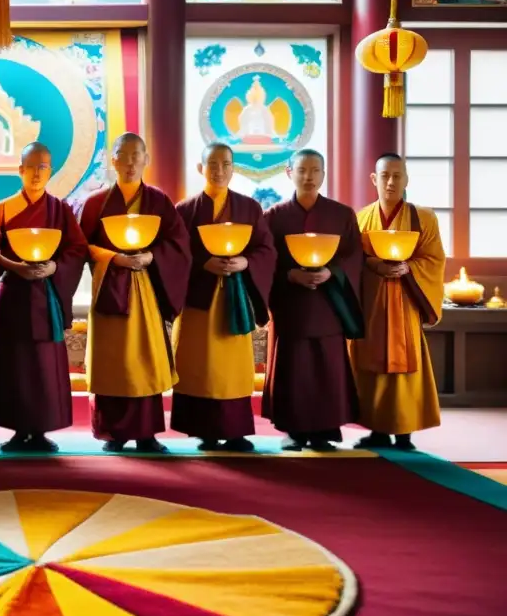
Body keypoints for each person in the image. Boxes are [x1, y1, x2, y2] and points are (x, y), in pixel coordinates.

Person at [77, 133, 192, 453]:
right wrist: (113, 257)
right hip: (109, 289)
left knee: (144, 357)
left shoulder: (158, 201)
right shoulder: (95, 202)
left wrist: (151, 257)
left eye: (136, 155)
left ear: (146, 159)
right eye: (122, 156)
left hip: (144, 289)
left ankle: (146, 433)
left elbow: (178, 244)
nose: (129, 162)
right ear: (111, 160)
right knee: (113, 361)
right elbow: (80, 247)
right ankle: (113, 432)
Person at [172, 143, 276, 451]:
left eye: (226, 164)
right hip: (199, 299)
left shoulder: (249, 208)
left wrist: (245, 262)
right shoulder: (185, 210)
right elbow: (175, 255)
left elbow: (266, 249)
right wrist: (203, 262)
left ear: (233, 169)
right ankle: (203, 429)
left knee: (232, 366)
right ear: (201, 169)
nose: (219, 171)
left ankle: (234, 430)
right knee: (200, 364)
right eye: (213, 164)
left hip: (234, 296)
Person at [0, 142, 88, 452]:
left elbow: (77, 249)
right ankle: (18, 430)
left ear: (51, 171)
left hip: (46, 295)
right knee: (15, 363)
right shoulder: (2, 208)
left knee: (44, 364)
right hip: (15, 294)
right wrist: (15, 267)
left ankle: (42, 429)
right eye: (30, 166)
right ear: (19, 169)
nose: (36, 173)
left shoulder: (60, 209)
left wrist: (55, 266)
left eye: (43, 167)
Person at [264, 149, 363, 451]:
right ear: (288, 173)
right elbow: (266, 260)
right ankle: (294, 430)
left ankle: (324, 430)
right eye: (302, 170)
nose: (308, 177)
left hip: (328, 303)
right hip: (292, 303)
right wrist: (290, 275)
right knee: (294, 367)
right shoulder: (274, 217)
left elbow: (355, 256)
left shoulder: (342, 214)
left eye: (315, 170)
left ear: (323, 174)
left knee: (327, 366)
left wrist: (331, 272)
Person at [350, 154, 445, 450]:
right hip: (372, 305)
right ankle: (377, 429)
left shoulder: (424, 218)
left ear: (406, 180)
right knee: (371, 364)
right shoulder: (360, 218)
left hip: (405, 303)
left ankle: (404, 433)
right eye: (385, 175)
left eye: (397, 176)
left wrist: (409, 268)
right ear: (374, 179)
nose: (391, 182)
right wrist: (374, 265)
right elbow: (351, 260)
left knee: (405, 366)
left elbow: (433, 259)